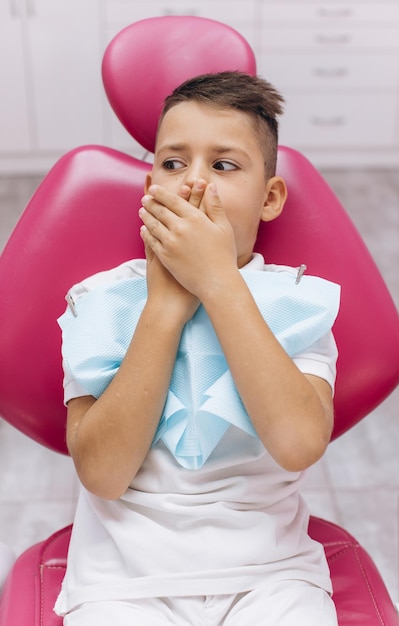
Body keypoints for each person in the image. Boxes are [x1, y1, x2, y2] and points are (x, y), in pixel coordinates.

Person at [54, 71, 340, 625]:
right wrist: (164, 308)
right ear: (149, 189)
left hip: (272, 577)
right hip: (122, 583)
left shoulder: (296, 303)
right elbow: (104, 475)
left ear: (270, 198)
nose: (194, 184)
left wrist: (218, 284)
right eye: (172, 163)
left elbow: (300, 444)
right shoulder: (100, 302)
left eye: (225, 165)